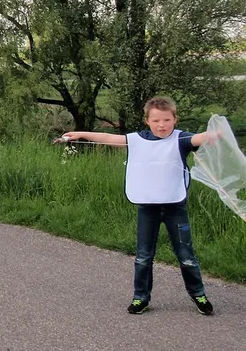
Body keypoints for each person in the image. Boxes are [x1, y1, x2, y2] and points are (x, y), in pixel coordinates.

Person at [57, 96, 214, 315]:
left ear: (175, 119)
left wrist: (217, 134)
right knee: (143, 256)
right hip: (147, 208)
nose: (162, 125)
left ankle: (198, 294)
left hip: (175, 208)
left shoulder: (181, 140)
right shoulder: (138, 139)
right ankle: (141, 297)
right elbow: (109, 138)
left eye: (167, 120)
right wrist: (80, 133)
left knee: (186, 256)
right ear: (147, 121)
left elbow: (201, 138)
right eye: (156, 120)